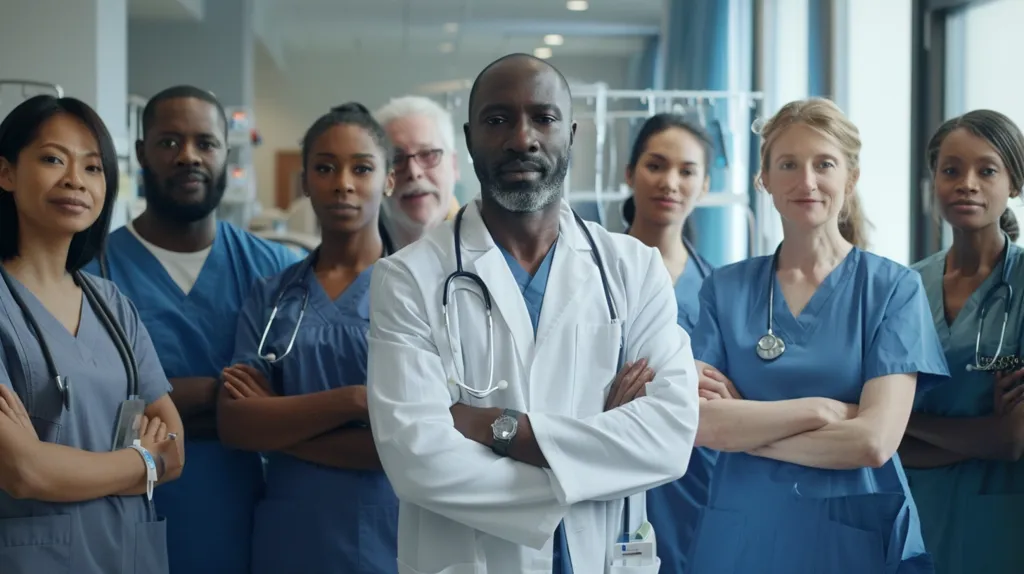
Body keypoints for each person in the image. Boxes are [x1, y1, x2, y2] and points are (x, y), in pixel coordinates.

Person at [365, 53, 699, 574]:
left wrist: (499, 428)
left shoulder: (633, 269)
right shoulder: (407, 279)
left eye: (542, 118)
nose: (522, 138)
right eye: (498, 120)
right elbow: (417, 459)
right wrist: (599, 457)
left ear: (570, 133)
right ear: (469, 138)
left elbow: (669, 438)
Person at [686, 98, 949, 573]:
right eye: (788, 164)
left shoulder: (892, 289)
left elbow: (872, 442)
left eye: (823, 164)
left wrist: (745, 430)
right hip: (746, 530)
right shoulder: (724, 290)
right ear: (763, 179)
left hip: (852, 530)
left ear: (850, 178)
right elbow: (703, 425)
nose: (806, 181)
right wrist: (823, 410)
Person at [82, 85, 299, 574]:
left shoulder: (277, 271)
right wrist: (225, 398)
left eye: (206, 142)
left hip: (248, 516)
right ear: (141, 154)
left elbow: (291, 401)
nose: (188, 157)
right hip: (124, 515)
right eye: (169, 142)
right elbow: (90, 414)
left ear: (226, 152)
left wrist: (162, 404)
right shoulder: (91, 273)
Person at [0, 95, 184, 573]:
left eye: (93, 167)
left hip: (129, 554)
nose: (75, 180)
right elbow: (22, 471)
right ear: (5, 174)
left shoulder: (111, 304)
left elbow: (176, 448)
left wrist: (51, 463)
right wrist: (144, 463)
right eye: (52, 159)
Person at [217, 102, 398, 574]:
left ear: (389, 180)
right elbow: (236, 425)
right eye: (325, 168)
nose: (343, 183)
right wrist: (357, 401)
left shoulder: (417, 294)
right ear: (304, 183)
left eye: (362, 168)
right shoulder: (273, 295)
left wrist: (278, 426)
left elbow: (403, 444)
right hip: (289, 539)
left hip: (388, 539)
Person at [900, 109, 1024, 574]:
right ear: (934, 180)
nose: (966, 183)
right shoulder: (905, 288)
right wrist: (984, 434)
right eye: (950, 169)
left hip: (1001, 526)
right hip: (919, 514)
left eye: (986, 170)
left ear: (1013, 183)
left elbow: (1011, 442)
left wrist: (907, 419)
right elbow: (882, 439)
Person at [618, 113, 715, 573]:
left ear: (706, 184)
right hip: (612, 461)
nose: (670, 182)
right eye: (655, 165)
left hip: (700, 476)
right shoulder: (590, 276)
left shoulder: (723, 290)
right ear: (629, 172)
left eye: (687, 170)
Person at [375, 95, 461, 248]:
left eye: (427, 154)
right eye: (396, 159)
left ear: (454, 165)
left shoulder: (495, 246)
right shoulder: (354, 260)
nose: (414, 172)